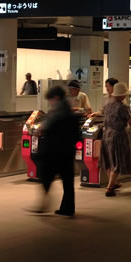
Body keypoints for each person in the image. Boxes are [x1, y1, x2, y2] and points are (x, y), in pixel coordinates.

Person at [30, 86, 81, 216]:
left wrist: (41, 130)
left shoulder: (58, 112)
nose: (50, 103)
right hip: (68, 152)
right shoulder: (69, 111)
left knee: (46, 176)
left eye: (50, 100)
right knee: (68, 182)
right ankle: (68, 208)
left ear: (56, 98)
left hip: (55, 152)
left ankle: (44, 202)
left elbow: (47, 127)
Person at [102, 82, 131, 196]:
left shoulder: (108, 104)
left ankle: (112, 183)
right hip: (118, 135)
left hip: (106, 133)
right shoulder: (123, 107)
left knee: (109, 160)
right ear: (122, 95)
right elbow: (130, 122)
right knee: (118, 161)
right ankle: (109, 188)